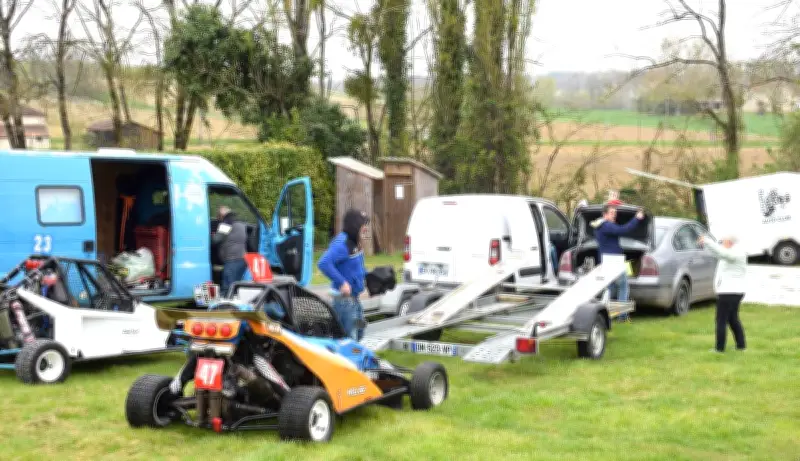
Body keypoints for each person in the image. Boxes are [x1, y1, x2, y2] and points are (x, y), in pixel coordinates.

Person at [317, 209, 369, 341]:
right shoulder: (342, 243)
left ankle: (353, 358)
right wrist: (342, 282)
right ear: (355, 225)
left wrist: (370, 277)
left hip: (355, 300)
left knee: (361, 329)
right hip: (344, 302)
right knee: (350, 339)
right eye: (363, 225)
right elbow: (324, 263)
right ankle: (347, 360)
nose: (365, 228)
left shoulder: (355, 243)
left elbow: (357, 267)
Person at [698, 234, 747, 353]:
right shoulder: (730, 252)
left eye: (723, 240)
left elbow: (723, 253)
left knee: (721, 320)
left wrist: (708, 241)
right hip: (732, 291)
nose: (721, 242)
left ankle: (719, 348)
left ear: (730, 241)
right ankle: (741, 346)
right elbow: (718, 253)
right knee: (732, 319)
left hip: (729, 292)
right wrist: (706, 244)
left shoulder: (736, 253)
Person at [590, 204, 645, 301]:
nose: (614, 215)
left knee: (611, 287)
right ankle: (622, 315)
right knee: (623, 287)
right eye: (611, 213)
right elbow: (624, 230)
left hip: (605, 260)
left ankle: (607, 312)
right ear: (604, 214)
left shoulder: (598, 225)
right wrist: (636, 218)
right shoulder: (607, 225)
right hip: (614, 261)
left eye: (615, 213)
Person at [212, 206, 248, 296]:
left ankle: (225, 307)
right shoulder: (240, 223)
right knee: (236, 285)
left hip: (232, 260)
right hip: (242, 259)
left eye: (218, 216)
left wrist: (211, 236)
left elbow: (216, 240)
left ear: (221, 216)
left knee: (227, 287)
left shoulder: (226, 224)